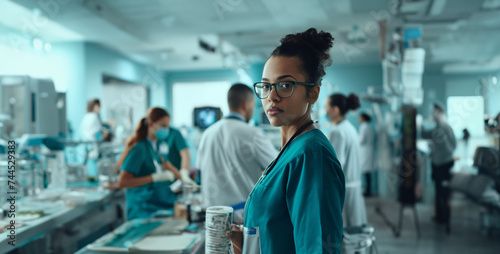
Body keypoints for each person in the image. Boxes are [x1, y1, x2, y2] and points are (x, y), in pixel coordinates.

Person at [229, 28, 345, 254]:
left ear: (312, 94)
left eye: (285, 85)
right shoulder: (290, 150)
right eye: (266, 85)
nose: (272, 96)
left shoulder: (311, 155)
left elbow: (316, 248)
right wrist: (250, 243)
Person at [196, 83, 277, 211]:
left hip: (212, 215)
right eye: (253, 106)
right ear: (246, 104)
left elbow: (199, 174)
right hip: (242, 216)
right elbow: (279, 168)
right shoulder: (253, 134)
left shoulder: (207, 134)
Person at [115, 107, 195, 220]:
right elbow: (122, 181)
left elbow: (166, 164)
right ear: (151, 124)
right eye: (163, 126)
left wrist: (183, 177)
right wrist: (153, 178)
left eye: (167, 126)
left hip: (155, 207)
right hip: (141, 209)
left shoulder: (156, 146)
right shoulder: (139, 149)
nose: (166, 130)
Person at [325, 93, 367, 227]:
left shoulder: (337, 132)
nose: (325, 111)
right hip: (353, 188)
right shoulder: (350, 128)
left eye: (326, 107)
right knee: (354, 234)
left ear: (335, 110)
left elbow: (336, 168)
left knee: (345, 237)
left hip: (345, 191)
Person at [422, 103, 457, 232]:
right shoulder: (441, 127)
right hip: (441, 164)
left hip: (443, 165)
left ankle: (443, 217)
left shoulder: (443, 127)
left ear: (439, 112)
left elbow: (451, 145)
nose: (433, 113)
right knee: (440, 192)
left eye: (434, 111)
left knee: (443, 192)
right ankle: (440, 216)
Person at [80, 99, 109, 179]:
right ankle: (96, 177)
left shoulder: (86, 116)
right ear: (95, 106)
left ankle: (89, 177)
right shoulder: (94, 116)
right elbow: (100, 130)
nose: (99, 109)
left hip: (85, 142)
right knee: (94, 162)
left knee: (87, 162)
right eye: (99, 107)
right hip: (93, 143)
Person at [359, 112, 375, 196]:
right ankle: (368, 190)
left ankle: (367, 191)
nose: (359, 119)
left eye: (360, 118)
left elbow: (361, 140)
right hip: (368, 150)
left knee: (366, 172)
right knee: (368, 172)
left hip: (365, 151)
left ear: (364, 118)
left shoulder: (363, 127)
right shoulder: (369, 127)